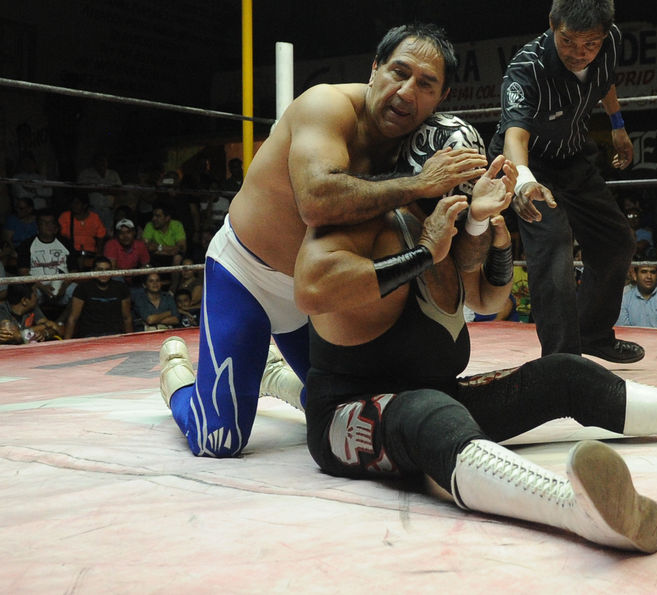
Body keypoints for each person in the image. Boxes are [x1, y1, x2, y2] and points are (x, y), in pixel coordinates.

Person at [287, 148, 657, 555]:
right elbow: (310, 288)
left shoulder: (453, 232)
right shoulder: (369, 223)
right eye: (458, 183)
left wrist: (488, 232)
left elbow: (490, 300)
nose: (467, 193)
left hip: (434, 394)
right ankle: (574, 508)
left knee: (563, 372)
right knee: (427, 409)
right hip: (348, 415)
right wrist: (423, 253)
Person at [157, 23, 488, 458]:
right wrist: (418, 183)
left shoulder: (424, 144)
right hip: (247, 275)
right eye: (399, 72)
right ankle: (176, 376)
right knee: (216, 440)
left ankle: (274, 376)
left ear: (441, 97)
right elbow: (315, 201)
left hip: (321, 293)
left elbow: (464, 252)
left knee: (353, 408)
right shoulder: (326, 106)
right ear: (375, 68)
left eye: (425, 84)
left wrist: (492, 209)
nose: (407, 92)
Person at [488, 0, 643, 364]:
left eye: (591, 44)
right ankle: (562, 361)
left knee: (616, 241)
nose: (579, 53)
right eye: (569, 41)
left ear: (604, 35)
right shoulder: (526, 69)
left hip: (573, 156)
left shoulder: (609, 42)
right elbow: (515, 136)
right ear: (553, 24)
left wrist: (618, 125)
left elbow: (605, 80)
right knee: (553, 248)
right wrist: (524, 182)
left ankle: (593, 335)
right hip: (530, 164)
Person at [16, 209, 73, 315]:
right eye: (44, 223)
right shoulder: (27, 244)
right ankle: (40, 321)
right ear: (38, 226)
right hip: (37, 285)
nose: (48, 226)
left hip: (63, 285)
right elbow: (23, 272)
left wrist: (64, 287)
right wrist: (42, 287)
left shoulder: (66, 243)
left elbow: (75, 271)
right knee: (26, 294)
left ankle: (63, 321)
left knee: (79, 292)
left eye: (51, 223)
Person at [63, 256, 133, 339]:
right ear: (93, 271)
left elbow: (127, 318)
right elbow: (73, 318)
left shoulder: (120, 287)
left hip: (115, 334)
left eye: (107, 270)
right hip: (90, 335)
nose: (104, 273)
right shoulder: (83, 288)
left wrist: (131, 341)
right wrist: (66, 342)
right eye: (100, 270)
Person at [617, 264, 657, 329]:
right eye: (644, 272)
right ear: (635, 276)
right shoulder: (625, 299)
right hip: (632, 337)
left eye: (653, 272)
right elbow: (624, 331)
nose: (649, 276)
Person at [58, 193, 107, 270]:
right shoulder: (65, 216)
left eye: (77, 203)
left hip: (91, 254)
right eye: (72, 203)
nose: (74, 205)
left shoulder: (94, 217)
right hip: (71, 254)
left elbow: (101, 236)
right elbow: (61, 236)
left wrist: (98, 255)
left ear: (85, 205)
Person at [77, 152, 122, 232]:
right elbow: (79, 189)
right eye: (99, 161)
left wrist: (108, 191)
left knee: (108, 232)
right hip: (93, 209)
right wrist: (95, 189)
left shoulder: (113, 174)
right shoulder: (86, 173)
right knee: (92, 232)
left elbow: (120, 190)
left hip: (109, 211)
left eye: (103, 161)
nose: (101, 163)